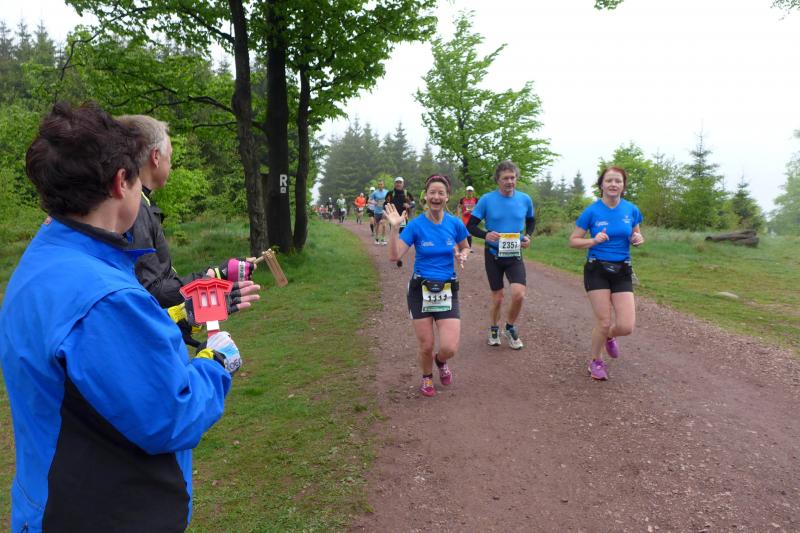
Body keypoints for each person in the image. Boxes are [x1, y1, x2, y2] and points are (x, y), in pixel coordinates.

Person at [0, 102, 240, 531]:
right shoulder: (104, 297)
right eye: (136, 182)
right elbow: (172, 414)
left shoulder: (44, 260)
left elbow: (97, 364)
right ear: (120, 182)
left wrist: (178, 319)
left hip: (49, 503)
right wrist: (217, 361)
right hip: (108, 513)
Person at [117, 115, 259, 347]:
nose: (171, 164)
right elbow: (153, 289)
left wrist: (186, 318)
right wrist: (211, 277)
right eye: (170, 156)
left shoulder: (142, 204)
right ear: (155, 157)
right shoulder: (137, 209)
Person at [385, 174, 470, 397]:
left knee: (449, 347)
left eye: (441, 193)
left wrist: (463, 254)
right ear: (426, 196)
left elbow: (465, 245)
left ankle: (440, 361)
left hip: (447, 289)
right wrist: (394, 228)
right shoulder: (415, 225)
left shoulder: (455, 223)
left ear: (447, 197)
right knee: (426, 345)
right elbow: (394, 256)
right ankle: (427, 376)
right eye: (432, 192)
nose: (436, 197)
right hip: (420, 290)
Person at [569, 166, 644, 381]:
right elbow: (573, 241)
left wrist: (638, 239)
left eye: (618, 181)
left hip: (622, 269)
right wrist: (593, 241)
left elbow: (636, 234)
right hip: (597, 269)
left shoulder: (631, 210)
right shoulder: (592, 211)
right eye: (609, 180)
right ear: (601, 184)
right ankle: (596, 361)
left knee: (626, 326)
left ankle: (610, 336)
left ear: (623, 185)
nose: (613, 184)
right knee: (603, 321)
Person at [467, 160, 535, 350]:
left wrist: (528, 236)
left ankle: (510, 327)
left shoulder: (525, 199)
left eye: (512, 178)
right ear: (497, 180)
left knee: (519, 294)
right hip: (493, 254)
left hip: (514, 254)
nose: (509, 181)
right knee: (497, 297)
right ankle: (494, 328)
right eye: (505, 178)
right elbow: (470, 225)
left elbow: (531, 221)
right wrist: (485, 235)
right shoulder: (487, 200)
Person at [384, 176, 412, 266]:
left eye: (400, 182)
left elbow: (413, 203)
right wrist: (388, 208)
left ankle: (399, 256)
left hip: (403, 218)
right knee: (395, 235)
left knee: (401, 236)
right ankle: (397, 256)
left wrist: (409, 205)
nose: (398, 184)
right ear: (394, 183)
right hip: (393, 219)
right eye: (397, 182)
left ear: (403, 184)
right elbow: (385, 203)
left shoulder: (407, 193)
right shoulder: (390, 193)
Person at [458, 185, 479, 250]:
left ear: (473, 192)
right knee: (464, 232)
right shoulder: (462, 199)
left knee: (470, 232)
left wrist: (474, 211)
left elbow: (478, 207)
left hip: (472, 218)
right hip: (465, 218)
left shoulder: (475, 199)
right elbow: (459, 207)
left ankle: (468, 248)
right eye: (468, 191)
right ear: (466, 191)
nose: (469, 192)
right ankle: (463, 246)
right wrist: (459, 214)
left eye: (471, 191)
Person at [369, 179, 389, 245]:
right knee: (377, 225)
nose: (380, 185)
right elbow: (369, 200)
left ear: (383, 185)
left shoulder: (387, 192)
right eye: (379, 184)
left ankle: (383, 239)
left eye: (381, 184)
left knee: (384, 225)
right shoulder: (375, 192)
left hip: (384, 211)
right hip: (377, 211)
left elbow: (390, 199)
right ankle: (377, 238)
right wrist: (374, 202)